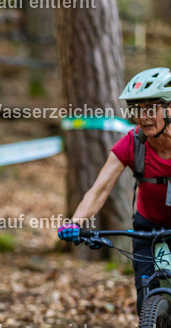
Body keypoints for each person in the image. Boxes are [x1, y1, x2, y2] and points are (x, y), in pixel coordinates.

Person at [58, 67, 171, 313]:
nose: (143, 117)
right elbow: (99, 190)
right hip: (148, 228)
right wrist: (76, 223)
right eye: (137, 110)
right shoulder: (133, 142)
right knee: (147, 302)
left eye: (150, 109)